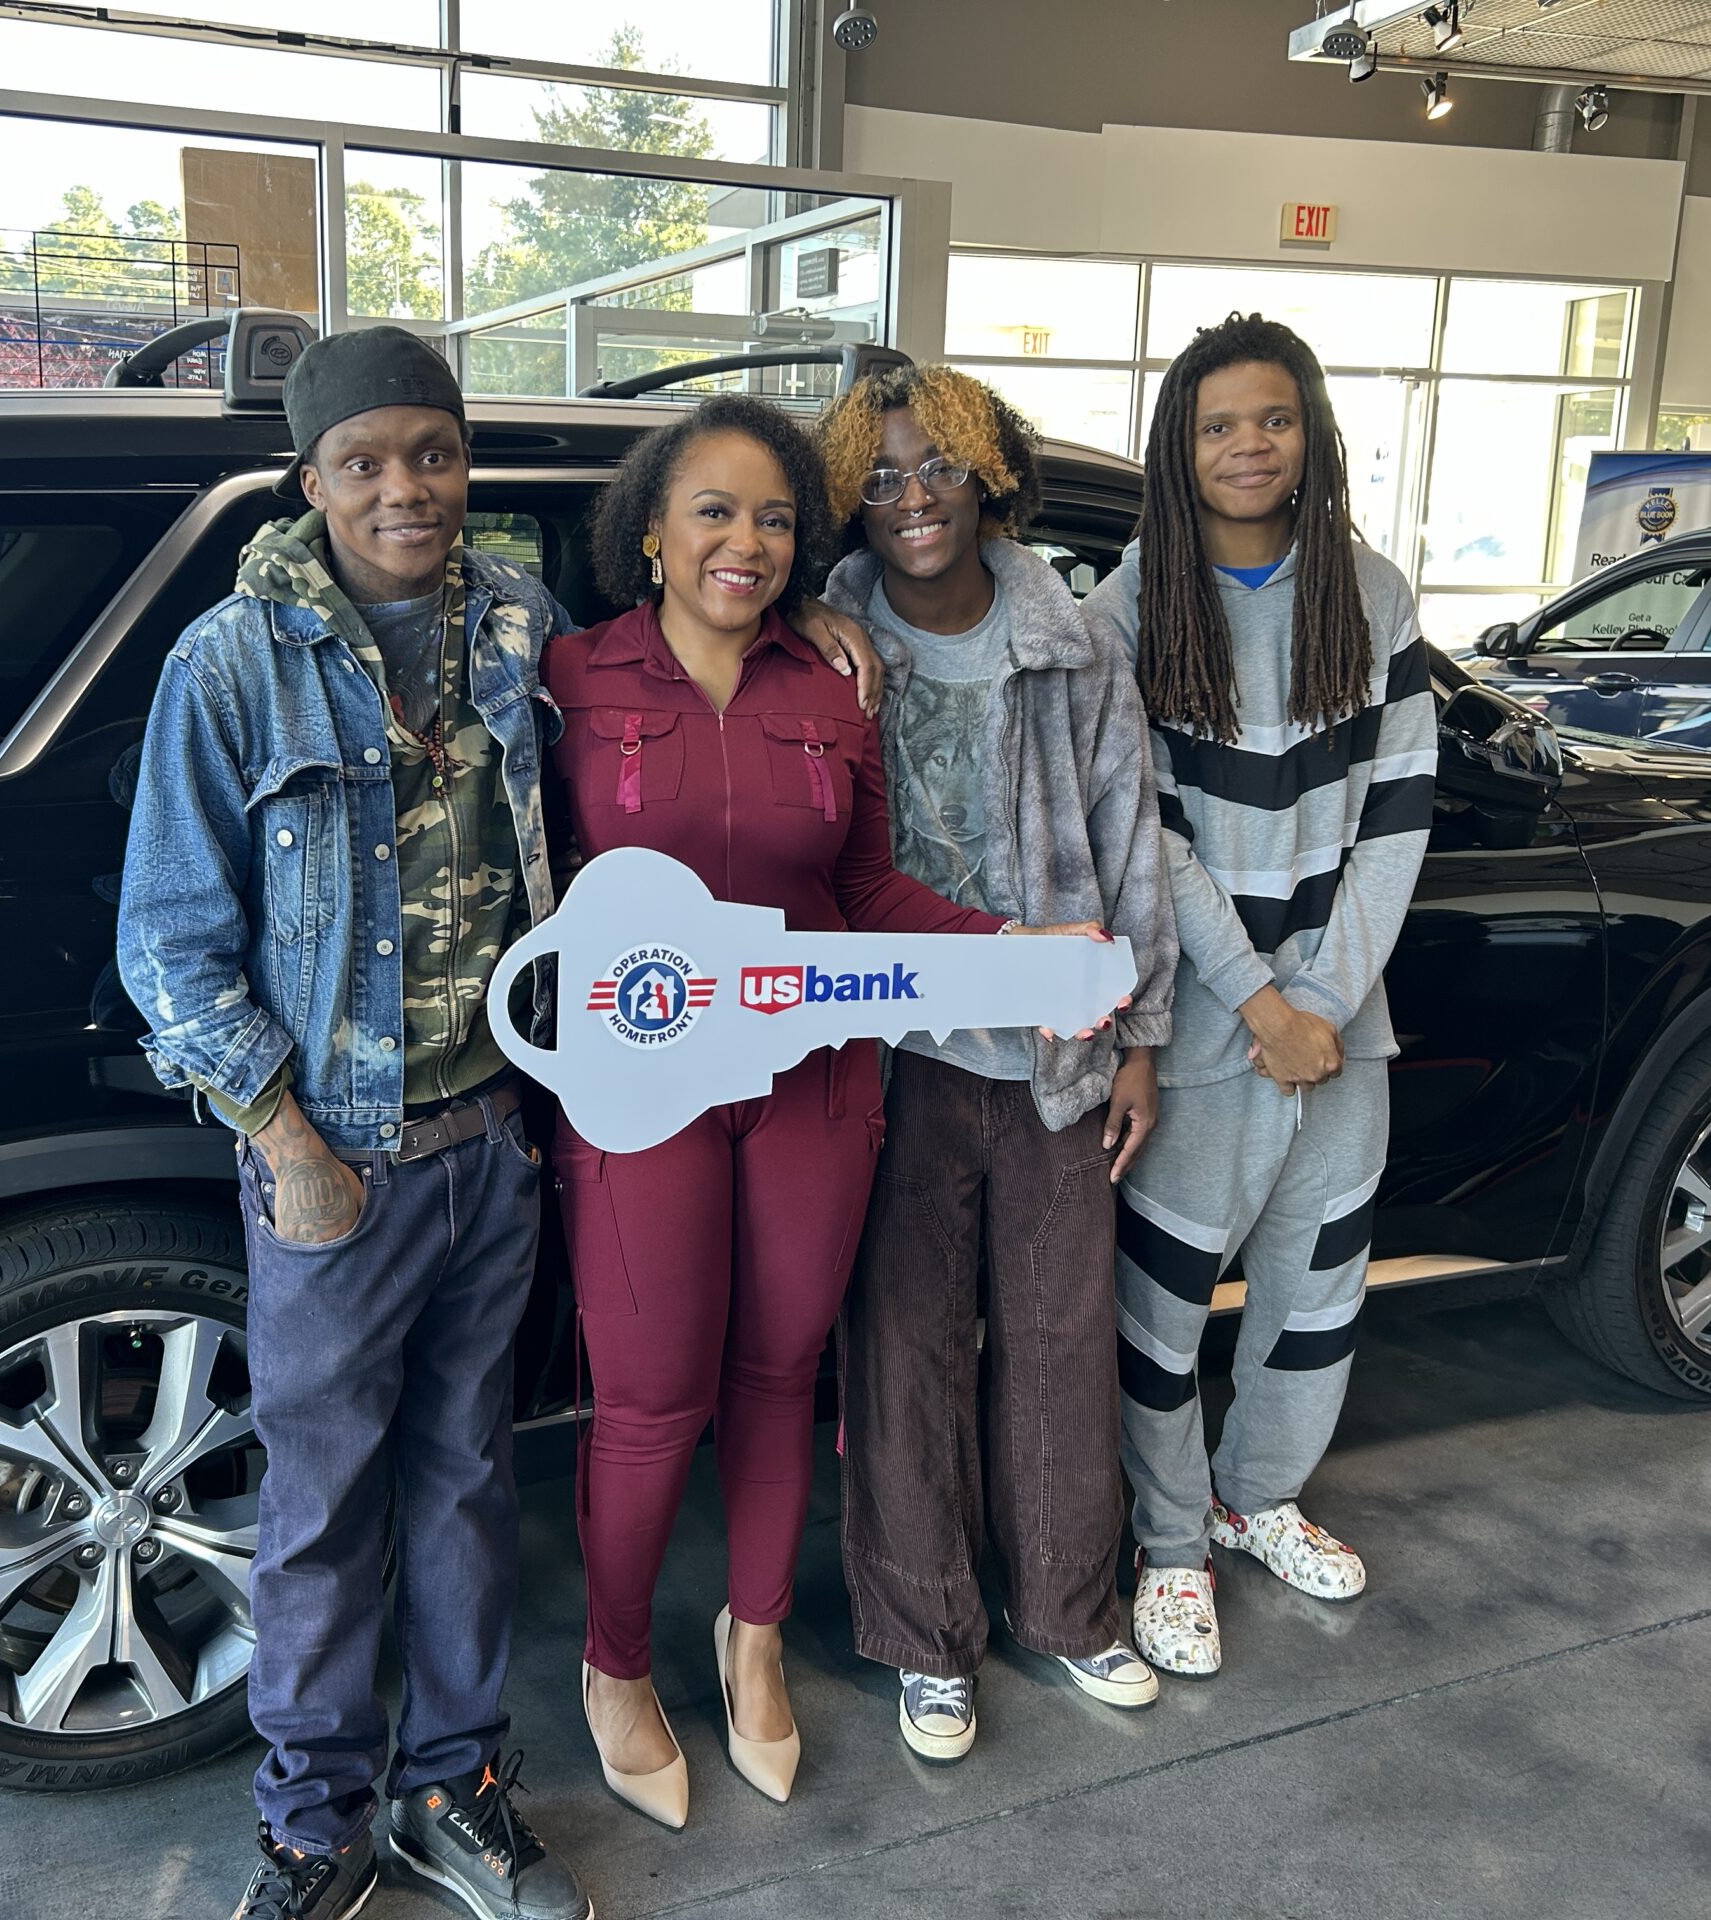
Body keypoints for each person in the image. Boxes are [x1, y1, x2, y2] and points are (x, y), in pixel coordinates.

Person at [119, 329, 888, 1920]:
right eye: (366, 462)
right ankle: (310, 1817)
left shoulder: (519, 626)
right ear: (312, 477)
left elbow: (686, 649)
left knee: (467, 1476)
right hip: (333, 1150)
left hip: (505, 1136)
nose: (406, 489)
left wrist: (803, 607)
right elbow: (168, 941)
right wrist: (287, 1146)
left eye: (434, 455)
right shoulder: (231, 666)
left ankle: (452, 1788)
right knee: (325, 1501)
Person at [539, 393, 1109, 1829]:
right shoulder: (567, 677)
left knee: (782, 1377)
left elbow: (864, 897)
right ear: (652, 536)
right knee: (653, 1400)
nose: (747, 541)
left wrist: (1005, 947)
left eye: (778, 517)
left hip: (815, 1085)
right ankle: (615, 1669)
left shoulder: (834, 687)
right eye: (715, 512)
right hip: (639, 1091)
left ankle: (755, 1643)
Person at [812, 363, 1179, 1764]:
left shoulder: (1072, 638)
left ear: (990, 476)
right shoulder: (823, 630)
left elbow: (1131, 840)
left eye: (940, 469)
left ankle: (1075, 1610)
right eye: (885, 477)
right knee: (902, 1345)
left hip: (1054, 1048)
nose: (914, 500)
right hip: (889, 1047)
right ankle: (925, 1638)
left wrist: (1138, 1036)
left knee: (1060, 1329)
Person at [1080, 313, 1434, 1679]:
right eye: (1219, 424)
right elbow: (1145, 836)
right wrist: (1257, 1001)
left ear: (1311, 435)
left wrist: (1326, 1003)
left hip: (1346, 1031)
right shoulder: (1126, 611)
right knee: (1162, 1304)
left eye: (1272, 420)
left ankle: (1257, 1498)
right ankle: (1171, 1545)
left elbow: (1399, 812)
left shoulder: (1374, 593)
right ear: (1179, 444)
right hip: (1206, 1031)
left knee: (1319, 1286)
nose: (1248, 445)